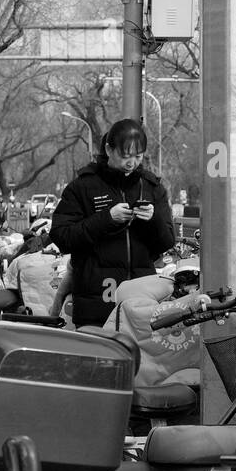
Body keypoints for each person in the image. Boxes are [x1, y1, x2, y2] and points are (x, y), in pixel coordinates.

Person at [49, 118, 174, 328]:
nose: (131, 162)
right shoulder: (83, 187)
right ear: (109, 149)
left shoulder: (152, 187)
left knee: (141, 360)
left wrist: (152, 220)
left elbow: (167, 241)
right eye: (125, 155)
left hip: (140, 301)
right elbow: (62, 236)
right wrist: (106, 219)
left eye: (138, 156)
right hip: (95, 303)